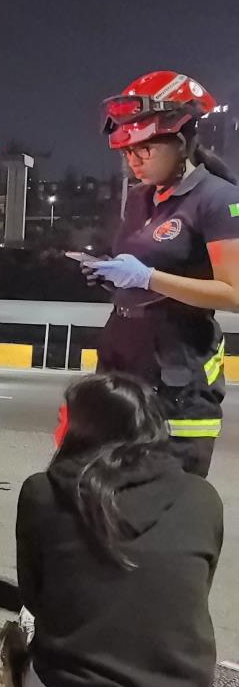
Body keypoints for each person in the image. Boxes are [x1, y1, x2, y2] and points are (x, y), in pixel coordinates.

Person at [17, 373, 222, 687]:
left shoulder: (43, 492)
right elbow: (196, 589)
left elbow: (34, 596)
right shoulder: (202, 496)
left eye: (63, 417)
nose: (57, 426)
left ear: (85, 428)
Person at [82, 71, 239, 478]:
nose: (133, 160)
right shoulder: (139, 199)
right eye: (126, 151)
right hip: (123, 356)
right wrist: (111, 277)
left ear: (182, 140)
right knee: (106, 491)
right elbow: (139, 266)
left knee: (167, 504)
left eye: (145, 148)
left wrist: (148, 278)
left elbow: (234, 294)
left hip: (177, 374)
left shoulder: (218, 200)